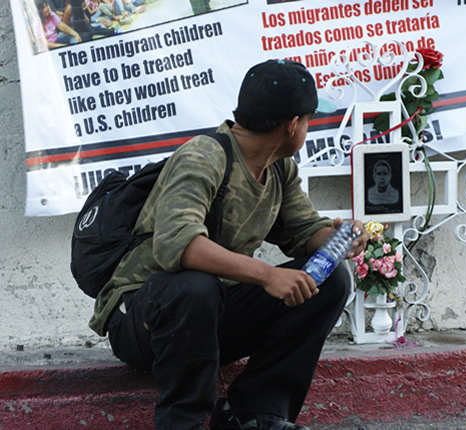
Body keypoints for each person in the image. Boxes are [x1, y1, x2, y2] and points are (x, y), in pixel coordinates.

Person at [90, 59, 369, 430]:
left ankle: (256, 413)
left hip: (209, 317)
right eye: (308, 119)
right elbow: (178, 244)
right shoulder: (204, 155)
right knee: (194, 285)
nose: (307, 126)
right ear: (292, 125)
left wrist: (338, 239)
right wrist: (267, 275)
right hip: (144, 319)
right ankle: (182, 421)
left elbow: (302, 229)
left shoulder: (278, 169)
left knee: (328, 281)